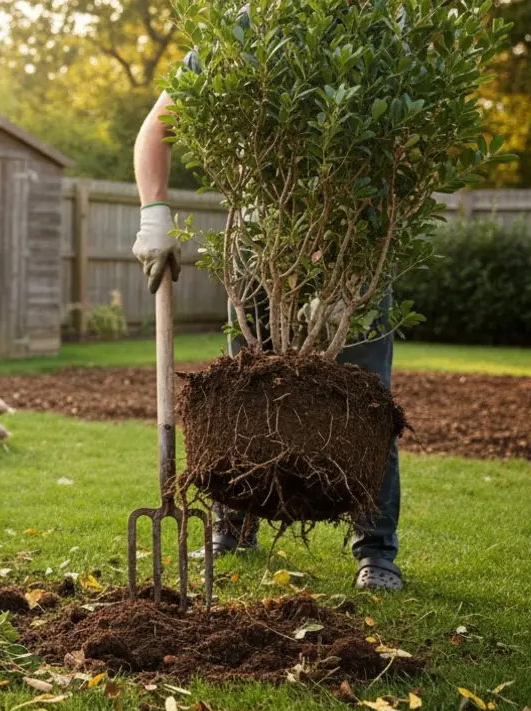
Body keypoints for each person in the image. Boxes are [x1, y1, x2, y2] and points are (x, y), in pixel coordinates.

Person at [130, 91, 404, 591]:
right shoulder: (231, 35)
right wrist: (154, 217)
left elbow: (403, 155)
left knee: (368, 400)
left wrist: (347, 270)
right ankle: (232, 527)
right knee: (244, 391)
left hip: (354, 246)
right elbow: (158, 126)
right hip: (261, 250)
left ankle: (376, 552)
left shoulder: (377, 20)